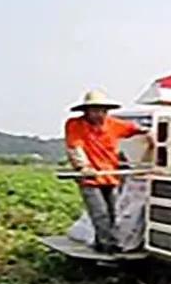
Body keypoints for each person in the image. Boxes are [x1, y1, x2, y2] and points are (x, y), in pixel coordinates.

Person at [64, 89, 153, 253]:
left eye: (102, 110)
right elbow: (75, 147)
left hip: (110, 176)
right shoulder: (75, 125)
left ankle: (103, 242)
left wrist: (151, 135)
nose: (99, 114)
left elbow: (137, 130)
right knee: (100, 214)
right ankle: (108, 247)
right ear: (86, 112)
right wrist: (83, 166)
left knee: (113, 213)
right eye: (95, 110)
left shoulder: (114, 124)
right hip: (90, 177)